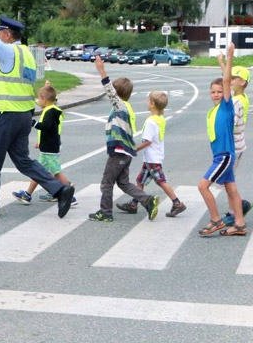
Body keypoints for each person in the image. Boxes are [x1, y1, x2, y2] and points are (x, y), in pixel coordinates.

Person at [0, 0, 74, 218]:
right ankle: (60, 189)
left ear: (7, 34)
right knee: (23, 161)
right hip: (25, 115)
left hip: (6, 115)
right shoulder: (27, 53)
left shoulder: (8, 52)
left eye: (0, 32)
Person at [87, 55, 158, 222]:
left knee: (106, 183)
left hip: (119, 152)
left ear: (117, 94)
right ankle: (147, 200)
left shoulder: (119, 105)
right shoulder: (128, 107)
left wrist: (101, 71)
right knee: (123, 183)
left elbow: (109, 90)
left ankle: (105, 212)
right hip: (126, 152)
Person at [197, 42, 247, 237]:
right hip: (221, 155)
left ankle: (216, 220)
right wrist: (220, 62)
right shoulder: (214, 110)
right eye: (213, 92)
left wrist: (230, 56)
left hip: (225, 155)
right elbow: (224, 80)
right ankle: (240, 224)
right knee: (231, 188)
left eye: (219, 92)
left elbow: (226, 81)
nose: (216, 94)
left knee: (202, 186)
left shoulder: (227, 106)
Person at [115, 90, 186, 217]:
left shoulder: (150, 121)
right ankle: (134, 204)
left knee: (161, 181)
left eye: (148, 100)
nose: (146, 102)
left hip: (152, 159)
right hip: (152, 157)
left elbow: (147, 141)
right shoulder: (160, 118)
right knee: (140, 180)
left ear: (152, 104)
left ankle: (177, 203)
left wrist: (134, 149)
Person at [11, 80, 76, 205]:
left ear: (44, 100)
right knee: (40, 171)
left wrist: (33, 123)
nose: (37, 102)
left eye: (39, 99)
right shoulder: (53, 109)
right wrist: (40, 142)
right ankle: (28, 194)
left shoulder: (50, 112)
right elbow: (50, 130)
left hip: (49, 149)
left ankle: (69, 195)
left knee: (54, 172)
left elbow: (45, 127)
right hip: (49, 146)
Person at [216, 56, 253, 225]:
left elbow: (233, 123)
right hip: (236, 145)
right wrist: (222, 63)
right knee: (227, 180)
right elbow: (225, 80)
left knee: (227, 181)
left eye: (235, 79)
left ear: (243, 82)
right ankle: (236, 207)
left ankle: (236, 209)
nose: (231, 80)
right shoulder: (239, 96)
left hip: (234, 146)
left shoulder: (237, 101)